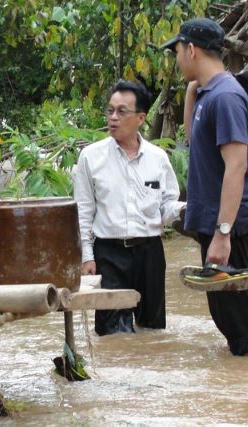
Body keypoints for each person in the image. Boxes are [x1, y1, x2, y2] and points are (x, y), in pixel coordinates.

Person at [162, 18, 248, 356]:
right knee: (231, 320)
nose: (177, 59)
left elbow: (236, 166)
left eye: (178, 51)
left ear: (192, 50)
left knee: (245, 330)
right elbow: (196, 142)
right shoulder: (210, 94)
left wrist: (223, 233)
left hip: (233, 230)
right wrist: (192, 90)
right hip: (222, 228)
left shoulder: (225, 97)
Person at [74, 80, 185, 335]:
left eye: (121, 112)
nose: (113, 117)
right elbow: (83, 213)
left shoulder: (158, 159)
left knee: (153, 331)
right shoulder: (91, 157)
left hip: (150, 253)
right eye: (110, 110)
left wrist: (185, 211)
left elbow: (166, 207)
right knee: (113, 334)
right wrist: (87, 256)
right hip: (109, 254)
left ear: (140, 118)